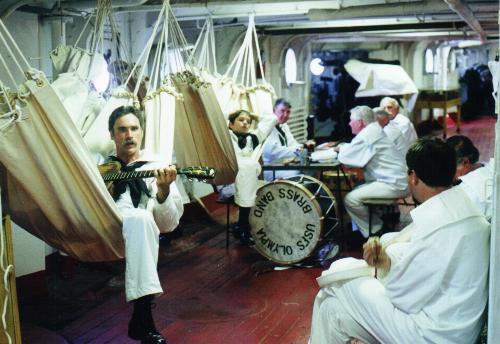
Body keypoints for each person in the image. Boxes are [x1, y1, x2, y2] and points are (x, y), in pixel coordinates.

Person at [310, 138, 490, 344]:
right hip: (456, 327)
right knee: (333, 311)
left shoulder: (437, 223)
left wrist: (380, 270)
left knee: (342, 275)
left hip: (432, 334)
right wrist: (386, 261)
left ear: (413, 176)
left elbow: (402, 298)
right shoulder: (467, 211)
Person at [101, 105, 184, 343]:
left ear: (142, 132)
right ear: (112, 134)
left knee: (142, 218)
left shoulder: (156, 166)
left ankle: (142, 315)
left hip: (142, 230)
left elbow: (168, 225)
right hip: (105, 227)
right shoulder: (100, 168)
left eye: (134, 128)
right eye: (122, 130)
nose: (129, 135)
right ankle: (143, 318)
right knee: (141, 219)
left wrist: (163, 190)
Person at [336, 105, 408, 238]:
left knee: (350, 199)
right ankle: (370, 227)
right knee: (358, 188)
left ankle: (374, 231)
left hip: (393, 183)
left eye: (351, 120)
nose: (349, 123)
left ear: (360, 122)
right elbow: (355, 151)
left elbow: (346, 158)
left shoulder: (367, 135)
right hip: (396, 179)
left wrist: (339, 149)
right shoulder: (372, 131)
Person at [227, 109, 277, 244]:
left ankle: (242, 225)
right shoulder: (225, 136)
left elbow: (272, 119)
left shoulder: (253, 138)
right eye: (241, 120)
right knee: (248, 168)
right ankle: (242, 226)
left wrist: (255, 115)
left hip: (246, 177)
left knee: (248, 169)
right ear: (230, 124)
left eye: (248, 122)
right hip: (228, 176)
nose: (245, 123)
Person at [262, 98, 314, 180]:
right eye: (282, 111)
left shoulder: (284, 126)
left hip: (282, 165)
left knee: (310, 170)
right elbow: (274, 152)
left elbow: (293, 144)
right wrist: (301, 148)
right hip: (270, 169)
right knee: (299, 173)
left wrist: (305, 148)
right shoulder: (267, 127)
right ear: (274, 110)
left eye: (288, 112)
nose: (285, 115)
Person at [446, 135, 493, 221]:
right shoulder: (487, 166)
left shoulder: (469, 192)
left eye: (449, 169)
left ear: (465, 162)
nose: (446, 174)